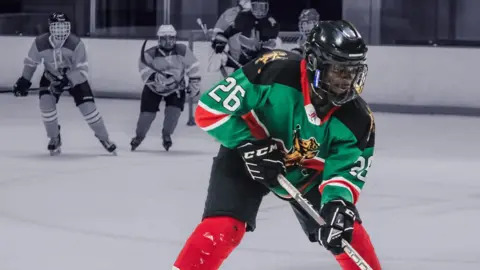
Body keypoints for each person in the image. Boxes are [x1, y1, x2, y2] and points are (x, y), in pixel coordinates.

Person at [173, 20, 382, 270]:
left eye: (352, 71)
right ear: (315, 63)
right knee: (221, 228)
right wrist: (249, 144)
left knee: (345, 230)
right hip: (247, 155)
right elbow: (209, 110)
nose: (346, 81)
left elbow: (344, 174)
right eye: (338, 70)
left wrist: (337, 203)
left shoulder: (358, 120)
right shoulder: (273, 71)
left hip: (305, 172)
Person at [12, 12, 116, 155]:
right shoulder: (39, 43)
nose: (61, 30)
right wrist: (24, 81)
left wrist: (68, 79)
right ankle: (54, 138)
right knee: (46, 106)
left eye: (63, 26)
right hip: (51, 78)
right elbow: (31, 63)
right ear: (50, 28)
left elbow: (82, 70)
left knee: (89, 110)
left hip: (76, 80)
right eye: (57, 26)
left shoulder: (76, 43)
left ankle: (104, 138)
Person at [130, 24, 201, 151]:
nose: (168, 41)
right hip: (153, 89)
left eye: (171, 38)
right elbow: (144, 72)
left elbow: (193, 66)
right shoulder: (149, 54)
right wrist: (159, 79)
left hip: (176, 89)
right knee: (146, 116)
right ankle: (139, 136)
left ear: (175, 38)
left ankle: (166, 135)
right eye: (164, 38)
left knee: (173, 114)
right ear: (159, 39)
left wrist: (194, 84)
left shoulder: (182, 50)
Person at [211, 0, 279, 69]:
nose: (259, 11)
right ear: (251, 6)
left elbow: (270, 44)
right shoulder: (243, 16)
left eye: (262, 7)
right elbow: (231, 31)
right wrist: (220, 40)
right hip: (243, 57)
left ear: (267, 7)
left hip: (262, 59)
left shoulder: (272, 22)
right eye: (256, 7)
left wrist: (259, 58)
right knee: (238, 77)